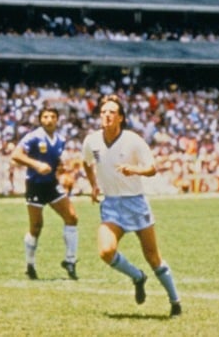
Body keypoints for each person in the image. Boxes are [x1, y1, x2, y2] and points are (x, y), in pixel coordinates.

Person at [82, 94, 182, 318]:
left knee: (153, 257)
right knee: (106, 251)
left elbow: (152, 168)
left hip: (135, 202)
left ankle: (175, 301)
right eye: (103, 112)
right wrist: (94, 186)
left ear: (121, 118)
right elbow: (86, 162)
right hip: (111, 204)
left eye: (112, 112)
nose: (107, 116)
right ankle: (137, 277)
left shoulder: (133, 140)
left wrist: (134, 170)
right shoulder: (92, 141)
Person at [11, 107, 79, 280]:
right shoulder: (33, 137)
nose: (49, 119)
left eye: (52, 116)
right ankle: (30, 264)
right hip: (35, 185)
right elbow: (16, 155)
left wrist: (62, 170)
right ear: (40, 119)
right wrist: (36, 165)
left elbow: (55, 161)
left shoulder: (61, 140)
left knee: (72, 217)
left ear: (57, 120)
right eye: (45, 116)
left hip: (51, 184)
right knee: (36, 227)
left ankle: (70, 261)